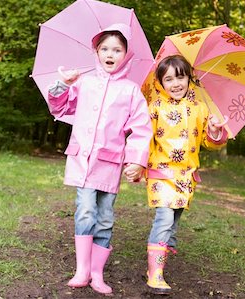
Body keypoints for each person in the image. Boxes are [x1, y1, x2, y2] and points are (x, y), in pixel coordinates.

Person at [47, 23, 152, 295]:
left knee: (105, 217)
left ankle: (97, 273)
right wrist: (62, 84)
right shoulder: (84, 82)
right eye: (105, 48)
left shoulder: (131, 91)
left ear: (126, 55)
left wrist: (137, 160)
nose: (110, 54)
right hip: (83, 159)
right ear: (96, 51)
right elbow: (59, 106)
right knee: (85, 210)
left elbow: (141, 129)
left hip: (110, 162)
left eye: (117, 49)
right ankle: (82, 269)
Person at [138, 55, 228, 294]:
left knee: (174, 219)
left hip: (186, 176)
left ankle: (163, 249)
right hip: (161, 173)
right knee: (165, 219)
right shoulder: (155, 108)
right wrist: (137, 163)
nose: (176, 83)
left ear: (190, 78)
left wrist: (215, 131)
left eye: (181, 77)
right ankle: (155, 274)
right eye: (168, 79)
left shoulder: (200, 109)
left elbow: (210, 143)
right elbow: (143, 137)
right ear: (160, 82)